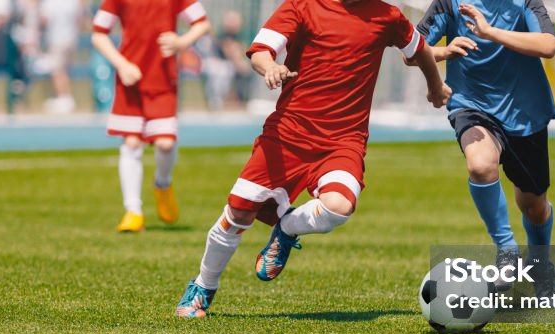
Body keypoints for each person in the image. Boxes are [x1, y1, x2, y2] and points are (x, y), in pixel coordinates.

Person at [175, 0, 451, 318]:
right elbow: (262, 51)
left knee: (340, 206)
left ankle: (288, 227)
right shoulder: (302, 6)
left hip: (343, 141)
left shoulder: (387, 16)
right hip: (286, 135)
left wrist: (435, 87)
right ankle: (203, 286)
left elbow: (419, 52)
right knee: (239, 212)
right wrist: (271, 68)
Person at [412, 0, 555, 297]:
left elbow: (548, 45)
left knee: (534, 207)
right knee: (480, 165)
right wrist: (444, 51)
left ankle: (540, 264)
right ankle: (506, 249)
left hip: (525, 112)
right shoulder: (448, 3)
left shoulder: (524, 2)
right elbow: (412, 49)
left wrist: (490, 32)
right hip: (471, 105)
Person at [92, 0, 211, 232]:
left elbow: (202, 23)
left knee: (165, 144)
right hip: (130, 79)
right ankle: (133, 211)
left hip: (163, 79)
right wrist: (122, 65)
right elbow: (98, 34)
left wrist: (181, 42)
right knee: (132, 141)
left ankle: (163, 185)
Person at [39, 0, 83, 114]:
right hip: (71, 39)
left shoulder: (49, 3)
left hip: (56, 39)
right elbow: (79, 18)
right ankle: (64, 97)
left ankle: (64, 98)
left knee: (57, 71)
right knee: (64, 70)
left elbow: (44, 20)